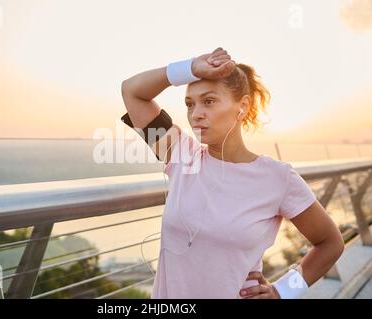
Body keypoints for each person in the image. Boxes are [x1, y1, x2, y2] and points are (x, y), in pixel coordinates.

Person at [120, 47, 344, 299]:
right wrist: (190, 68)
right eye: (190, 104)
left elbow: (330, 243)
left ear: (243, 106)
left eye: (209, 101)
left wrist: (281, 292)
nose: (196, 114)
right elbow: (132, 91)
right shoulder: (181, 155)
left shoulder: (278, 178)